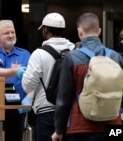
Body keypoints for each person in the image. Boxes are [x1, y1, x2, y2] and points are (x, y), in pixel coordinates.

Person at [51, 12, 123, 141]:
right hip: (114, 125)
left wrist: (59, 130)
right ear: (99, 31)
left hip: (80, 127)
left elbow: (63, 100)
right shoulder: (116, 57)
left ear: (80, 32)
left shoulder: (71, 58)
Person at [21, 12, 75, 141]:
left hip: (46, 112)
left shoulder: (39, 54)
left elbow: (28, 86)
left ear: (45, 29)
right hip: (72, 111)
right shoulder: (75, 50)